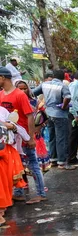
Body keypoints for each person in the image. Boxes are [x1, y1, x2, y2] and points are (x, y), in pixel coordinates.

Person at [0, 67, 47, 204]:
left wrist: (31, 138)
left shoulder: (19, 95)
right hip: (10, 139)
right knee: (17, 165)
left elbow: (30, 117)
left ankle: (41, 193)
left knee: (33, 165)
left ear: (3, 77)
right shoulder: (1, 94)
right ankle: (19, 192)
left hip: (24, 135)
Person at [32, 69, 73, 169]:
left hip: (48, 113)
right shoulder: (63, 85)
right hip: (60, 114)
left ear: (53, 76)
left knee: (52, 137)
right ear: (63, 77)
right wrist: (64, 106)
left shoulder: (44, 84)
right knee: (61, 138)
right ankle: (62, 162)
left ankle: (53, 159)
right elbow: (67, 97)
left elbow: (32, 93)